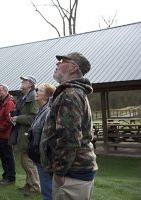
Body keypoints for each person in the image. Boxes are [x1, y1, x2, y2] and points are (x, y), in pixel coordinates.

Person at [40, 52, 98, 200]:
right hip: (73, 171)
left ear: (73, 68)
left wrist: (59, 172)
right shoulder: (72, 92)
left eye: (62, 61)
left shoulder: (70, 94)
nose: (57, 64)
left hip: (72, 173)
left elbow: (69, 138)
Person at [9, 75, 40, 195]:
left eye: (25, 81)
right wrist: (13, 116)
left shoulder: (33, 98)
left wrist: (18, 118)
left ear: (31, 84)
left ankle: (35, 187)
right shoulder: (24, 97)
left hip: (28, 133)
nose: (22, 82)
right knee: (24, 160)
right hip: (22, 132)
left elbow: (33, 118)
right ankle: (29, 184)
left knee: (27, 161)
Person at [27, 83, 56, 200]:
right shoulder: (41, 110)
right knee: (46, 188)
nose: (37, 92)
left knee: (48, 190)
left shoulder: (48, 111)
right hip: (40, 157)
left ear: (47, 96)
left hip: (46, 157)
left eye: (41, 91)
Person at [0, 84, 16, 185]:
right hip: (0, 134)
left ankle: (10, 178)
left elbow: (9, 120)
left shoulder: (9, 103)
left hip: (6, 135)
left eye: (0, 91)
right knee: (3, 156)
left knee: (8, 156)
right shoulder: (1, 102)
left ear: (6, 91)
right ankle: (5, 175)